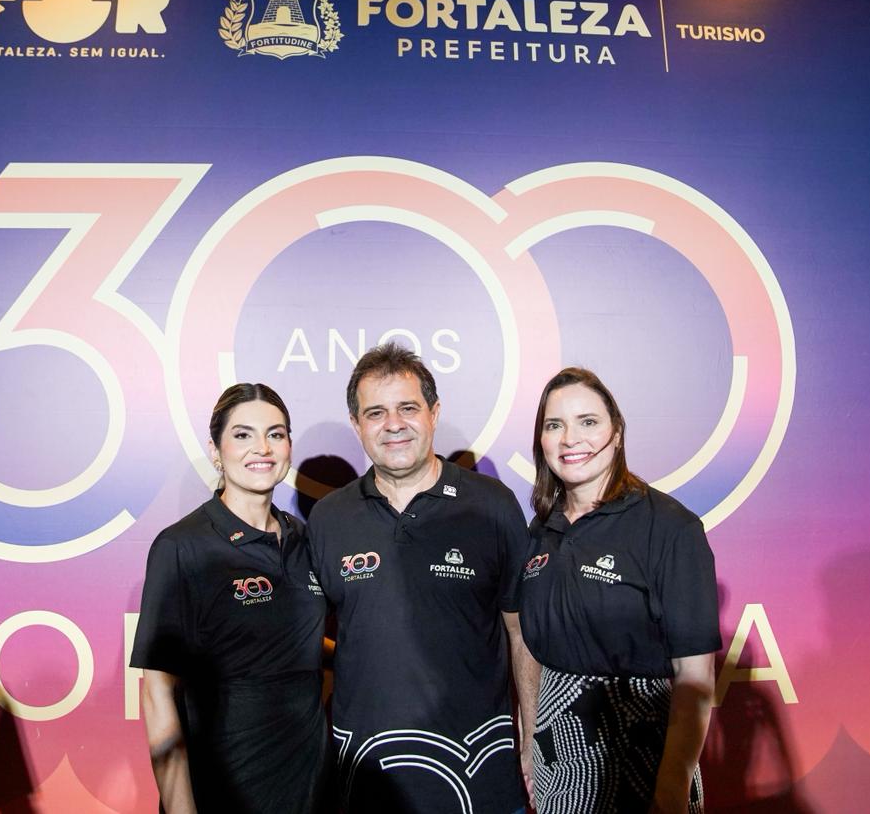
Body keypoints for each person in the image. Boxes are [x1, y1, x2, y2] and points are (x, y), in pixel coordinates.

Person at [306, 342, 539, 813]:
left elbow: (521, 633)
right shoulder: (329, 517)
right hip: (365, 777)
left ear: (433, 413)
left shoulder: (491, 505)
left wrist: (531, 739)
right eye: (376, 412)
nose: (393, 424)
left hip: (481, 771)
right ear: (357, 425)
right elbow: (307, 640)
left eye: (407, 408)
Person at [518, 368, 720, 814]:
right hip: (558, 758)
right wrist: (530, 740)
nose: (571, 438)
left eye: (588, 421)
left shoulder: (669, 527)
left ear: (617, 432)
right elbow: (532, 650)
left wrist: (670, 789)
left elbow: (695, 677)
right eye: (555, 425)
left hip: (644, 755)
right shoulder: (540, 531)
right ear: (541, 441)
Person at [130, 383, 328, 814]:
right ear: (216, 450)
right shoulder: (184, 546)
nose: (262, 447)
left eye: (275, 434)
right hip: (224, 790)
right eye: (242, 435)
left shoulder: (305, 539)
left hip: (310, 786)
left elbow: (290, 639)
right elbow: (158, 693)